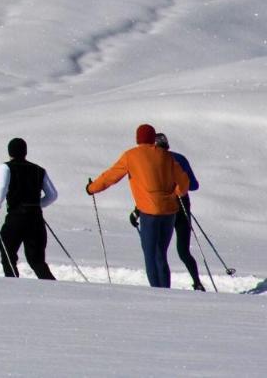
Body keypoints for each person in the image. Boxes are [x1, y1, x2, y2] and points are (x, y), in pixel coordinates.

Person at [86, 123, 191, 288]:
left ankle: (157, 292)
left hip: (149, 213)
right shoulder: (167, 156)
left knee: (150, 255)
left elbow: (110, 177)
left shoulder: (131, 155)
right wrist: (175, 192)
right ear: (152, 138)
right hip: (169, 212)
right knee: (161, 255)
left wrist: (92, 188)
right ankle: (166, 291)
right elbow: (184, 183)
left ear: (137, 138)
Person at [0, 137, 58, 279]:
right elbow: (53, 195)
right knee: (37, 261)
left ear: (10, 152)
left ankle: (13, 287)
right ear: (25, 152)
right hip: (36, 219)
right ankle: (53, 291)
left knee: (8, 254)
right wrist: (36, 205)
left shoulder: (6, 167)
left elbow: (2, 187)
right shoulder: (39, 170)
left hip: (16, 218)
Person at [145, 133, 204, 290]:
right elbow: (194, 185)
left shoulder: (153, 161)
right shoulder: (180, 158)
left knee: (159, 252)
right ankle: (197, 282)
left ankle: (163, 288)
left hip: (163, 209)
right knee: (183, 251)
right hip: (182, 205)